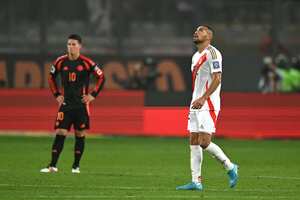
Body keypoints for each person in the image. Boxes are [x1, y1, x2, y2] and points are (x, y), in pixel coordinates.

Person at [176, 25, 238, 191]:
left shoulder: (213, 53)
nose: (196, 32)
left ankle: (230, 167)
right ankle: (196, 181)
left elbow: (217, 78)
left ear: (209, 36)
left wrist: (204, 98)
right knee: (194, 141)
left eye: (201, 30)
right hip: (195, 103)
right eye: (195, 30)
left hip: (208, 103)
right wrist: (197, 99)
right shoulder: (195, 56)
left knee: (204, 142)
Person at [40, 34, 105, 173]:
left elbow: (101, 77)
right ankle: (52, 165)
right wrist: (56, 94)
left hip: (81, 105)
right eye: (69, 44)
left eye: (74, 44)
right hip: (66, 105)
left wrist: (92, 95)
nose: (71, 47)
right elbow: (51, 77)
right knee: (60, 132)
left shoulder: (86, 62)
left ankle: (76, 166)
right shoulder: (60, 61)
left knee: (79, 134)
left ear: (80, 46)